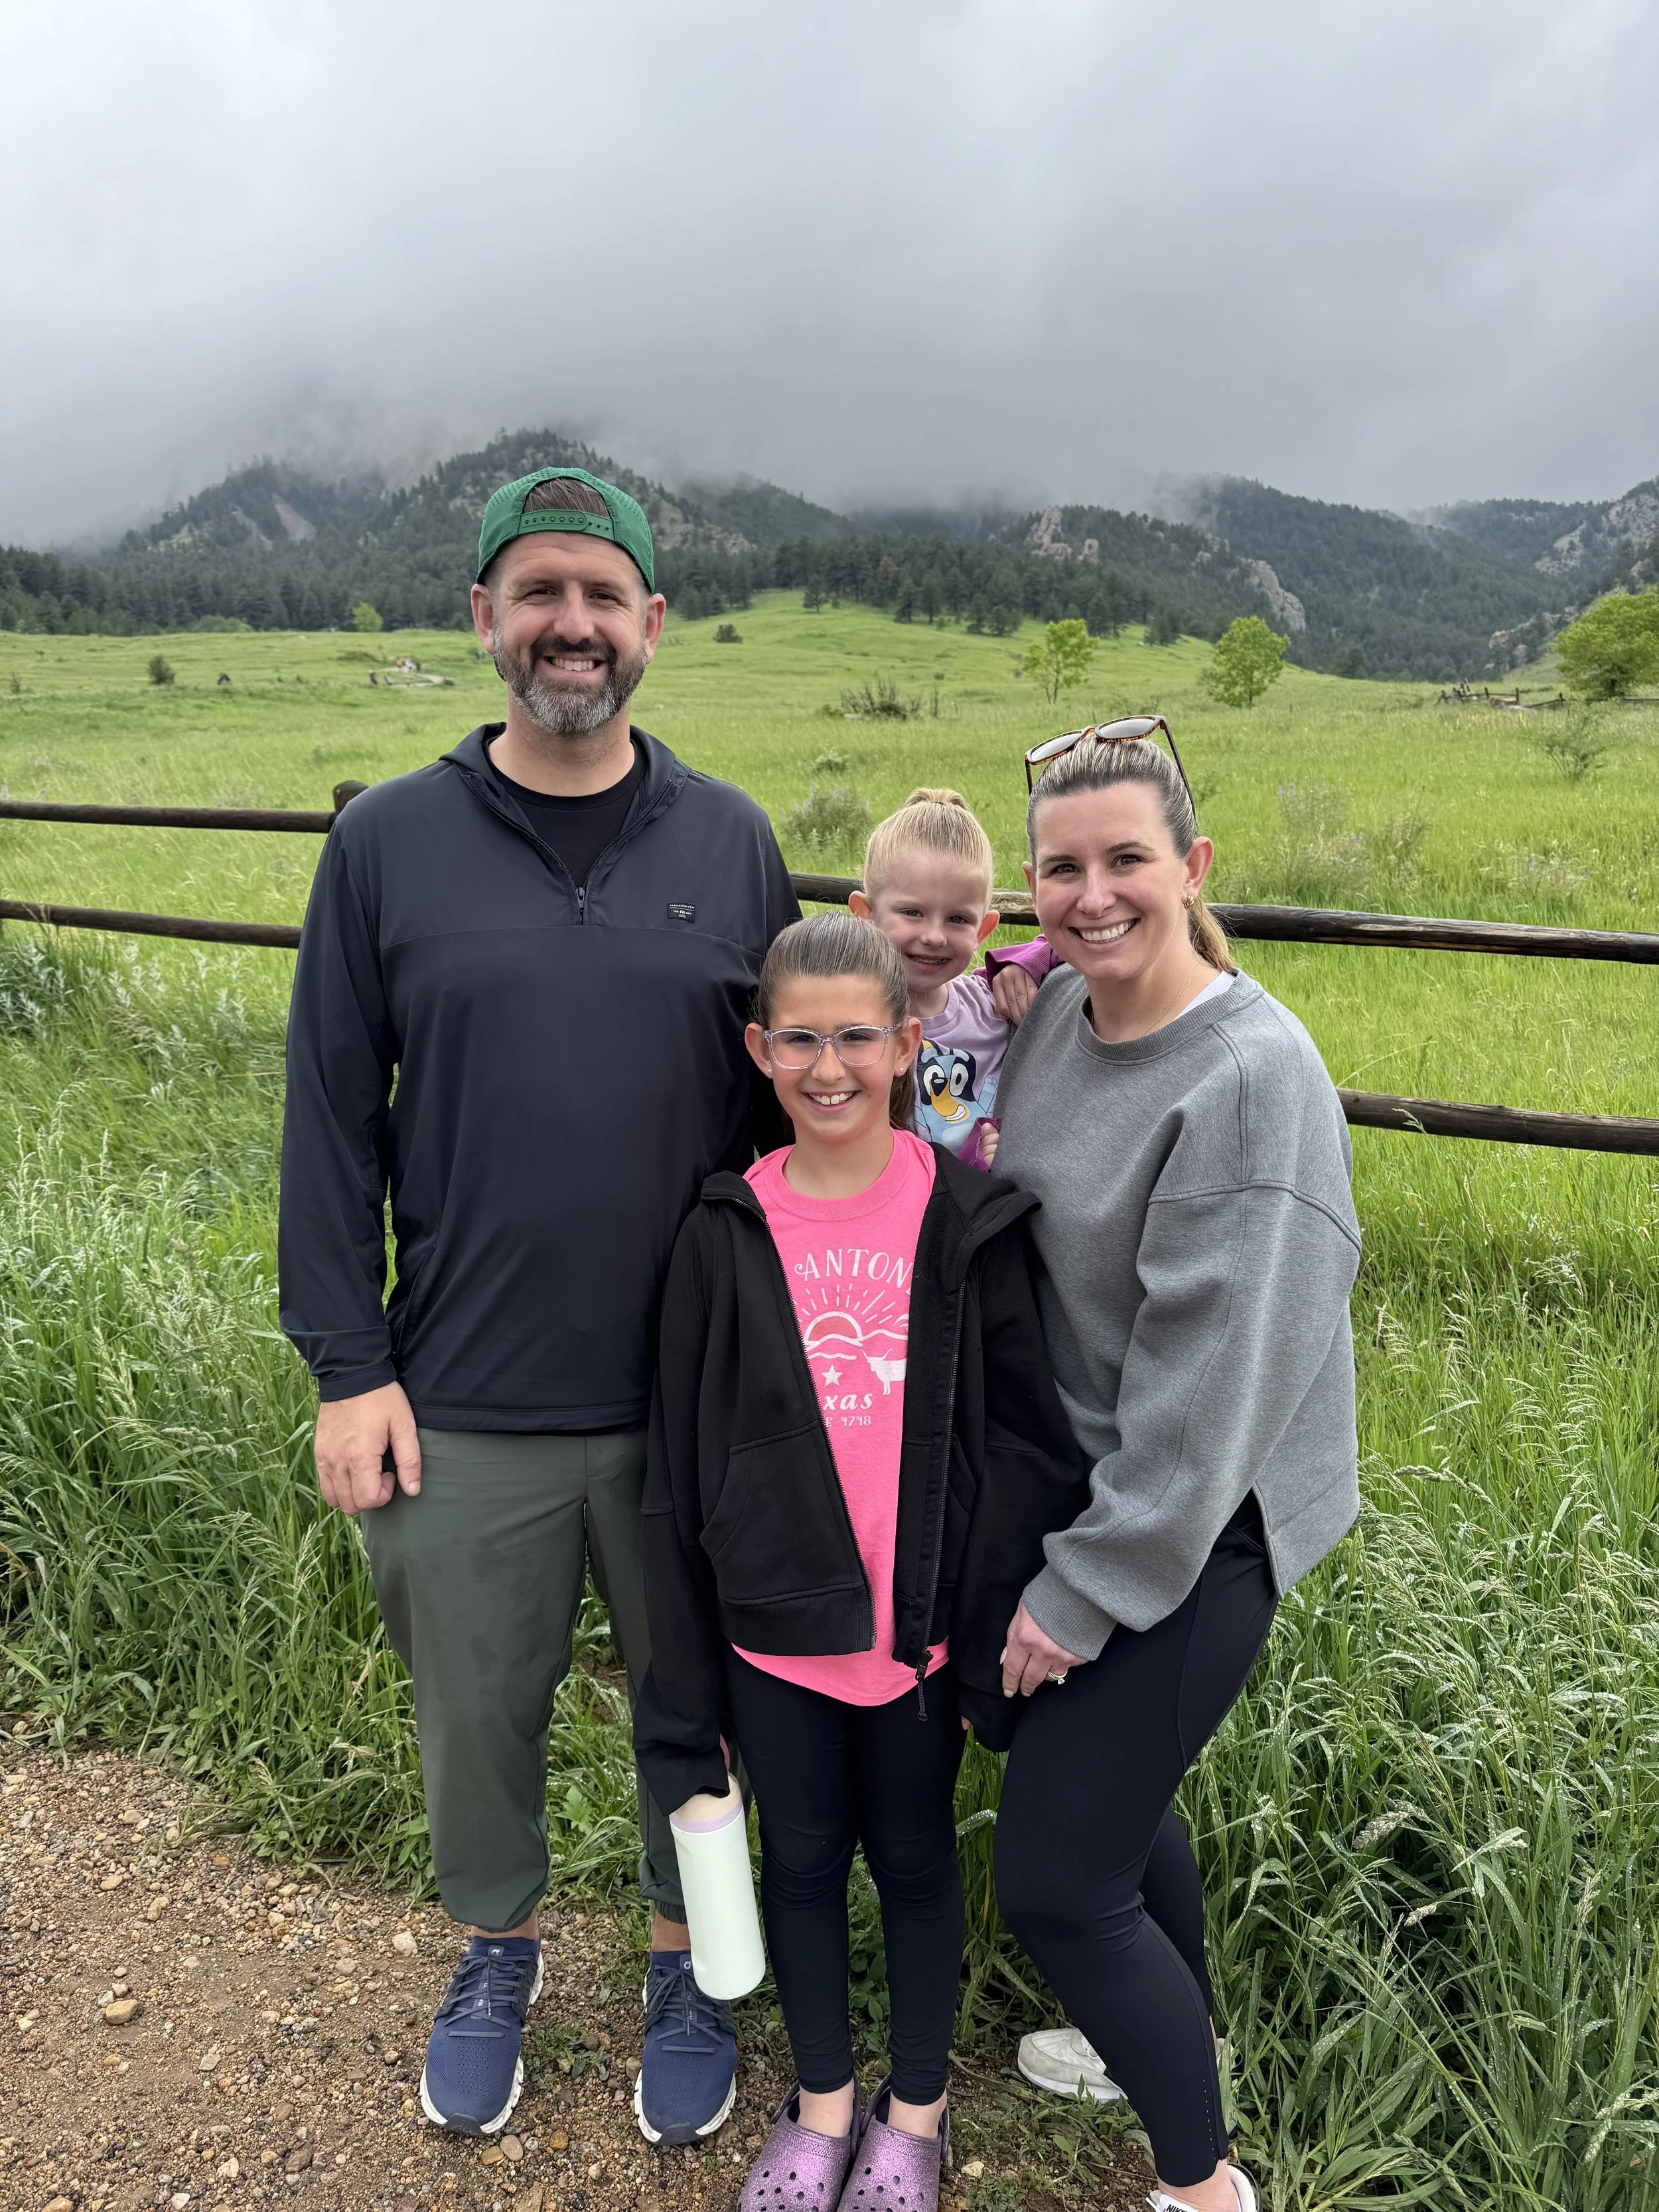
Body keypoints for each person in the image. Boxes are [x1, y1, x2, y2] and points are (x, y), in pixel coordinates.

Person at [277, 466, 799, 2143]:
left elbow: (795, 1114)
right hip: (461, 1394)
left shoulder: (731, 842)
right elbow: (328, 1114)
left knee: (695, 1708)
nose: (571, 623)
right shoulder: (385, 843)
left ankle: (689, 1964)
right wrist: (346, 1365)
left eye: (601, 593)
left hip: (691, 1399)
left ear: (653, 623)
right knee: (474, 1711)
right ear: (484, 619)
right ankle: (495, 1948)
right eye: (539, 591)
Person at [632, 911, 1090, 2212]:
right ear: (758, 1050)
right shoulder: (723, 1229)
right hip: (772, 1633)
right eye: (799, 1040)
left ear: (905, 1043)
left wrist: (985, 1632)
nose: (827, 1066)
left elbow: (1022, 1448)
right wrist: (685, 1693)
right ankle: (826, 2099)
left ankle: (915, 2111)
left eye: (854, 1037)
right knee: (799, 1864)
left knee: (915, 1859)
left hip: (917, 1641)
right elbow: (677, 1469)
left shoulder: (968, 1219)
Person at [989, 731, 1362, 2212]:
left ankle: (1205, 2186)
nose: (1093, 895)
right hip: (1099, 1486)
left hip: (1200, 1527)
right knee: (1119, 1803)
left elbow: (1211, 1398)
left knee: (1056, 1880)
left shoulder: (1249, 1083)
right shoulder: (1056, 1015)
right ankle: (1165, 2038)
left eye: (1127, 860)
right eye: (1062, 868)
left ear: (1194, 867)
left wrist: (1081, 1591)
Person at [849, 787, 1054, 1169]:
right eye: (912, 912)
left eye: (958, 919)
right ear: (865, 914)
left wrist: (1021, 960)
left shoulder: (991, 1005)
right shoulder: (849, 1026)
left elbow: (1071, 944)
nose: (934, 936)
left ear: (983, 929)